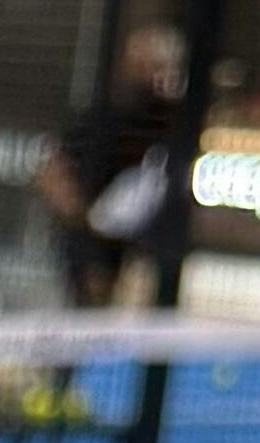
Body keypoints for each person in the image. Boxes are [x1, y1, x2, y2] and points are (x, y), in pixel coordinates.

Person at [39, 19, 183, 308]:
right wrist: (84, 217)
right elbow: (53, 171)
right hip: (93, 244)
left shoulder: (169, 126)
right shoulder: (102, 118)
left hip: (137, 246)